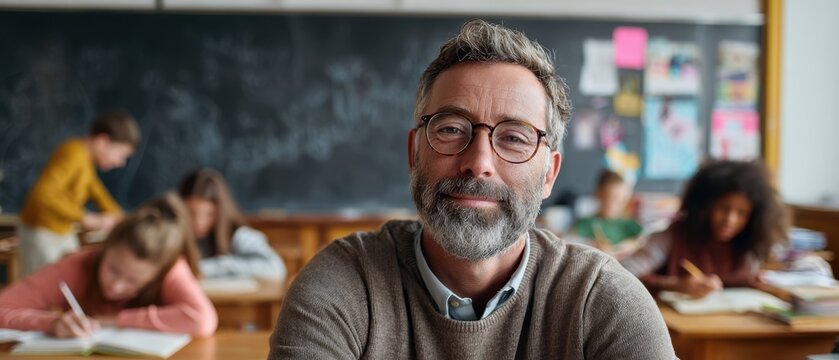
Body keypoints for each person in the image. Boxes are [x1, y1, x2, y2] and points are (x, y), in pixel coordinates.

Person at [269, 20, 674, 359]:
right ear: (414, 152)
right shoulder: (343, 286)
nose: (478, 162)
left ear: (549, 174)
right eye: (450, 129)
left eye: (514, 138)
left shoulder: (602, 301)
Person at [0, 193, 217, 338]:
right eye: (112, 269)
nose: (116, 286)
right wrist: (52, 323)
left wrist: (114, 321)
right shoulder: (78, 264)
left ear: (156, 275)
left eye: (134, 281)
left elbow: (203, 320)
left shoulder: (170, 268)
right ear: (105, 247)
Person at [620, 160, 789, 298]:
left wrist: (754, 282)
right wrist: (675, 285)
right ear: (705, 206)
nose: (730, 220)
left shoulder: (749, 244)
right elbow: (622, 274)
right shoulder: (673, 236)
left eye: (742, 213)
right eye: (723, 208)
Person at [18, 110, 140, 276]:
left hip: (61, 231)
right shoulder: (74, 154)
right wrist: (87, 219)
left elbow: (98, 192)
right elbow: (43, 194)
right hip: (42, 231)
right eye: (120, 154)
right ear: (102, 141)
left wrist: (122, 219)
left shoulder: (85, 160)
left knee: (72, 278)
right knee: (46, 288)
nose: (120, 162)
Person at [178, 168, 286, 281]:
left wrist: (220, 265)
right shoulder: (174, 236)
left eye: (210, 214)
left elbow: (275, 269)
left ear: (221, 212)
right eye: (191, 213)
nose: (199, 222)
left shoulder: (239, 235)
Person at [572, 169, 642, 258]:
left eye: (621, 199)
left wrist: (627, 246)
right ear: (599, 194)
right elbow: (573, 241)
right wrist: (593, 245)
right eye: (610, 197)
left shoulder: (629, 225)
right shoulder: (587, 223)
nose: (616, 204)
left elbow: (643, 241)